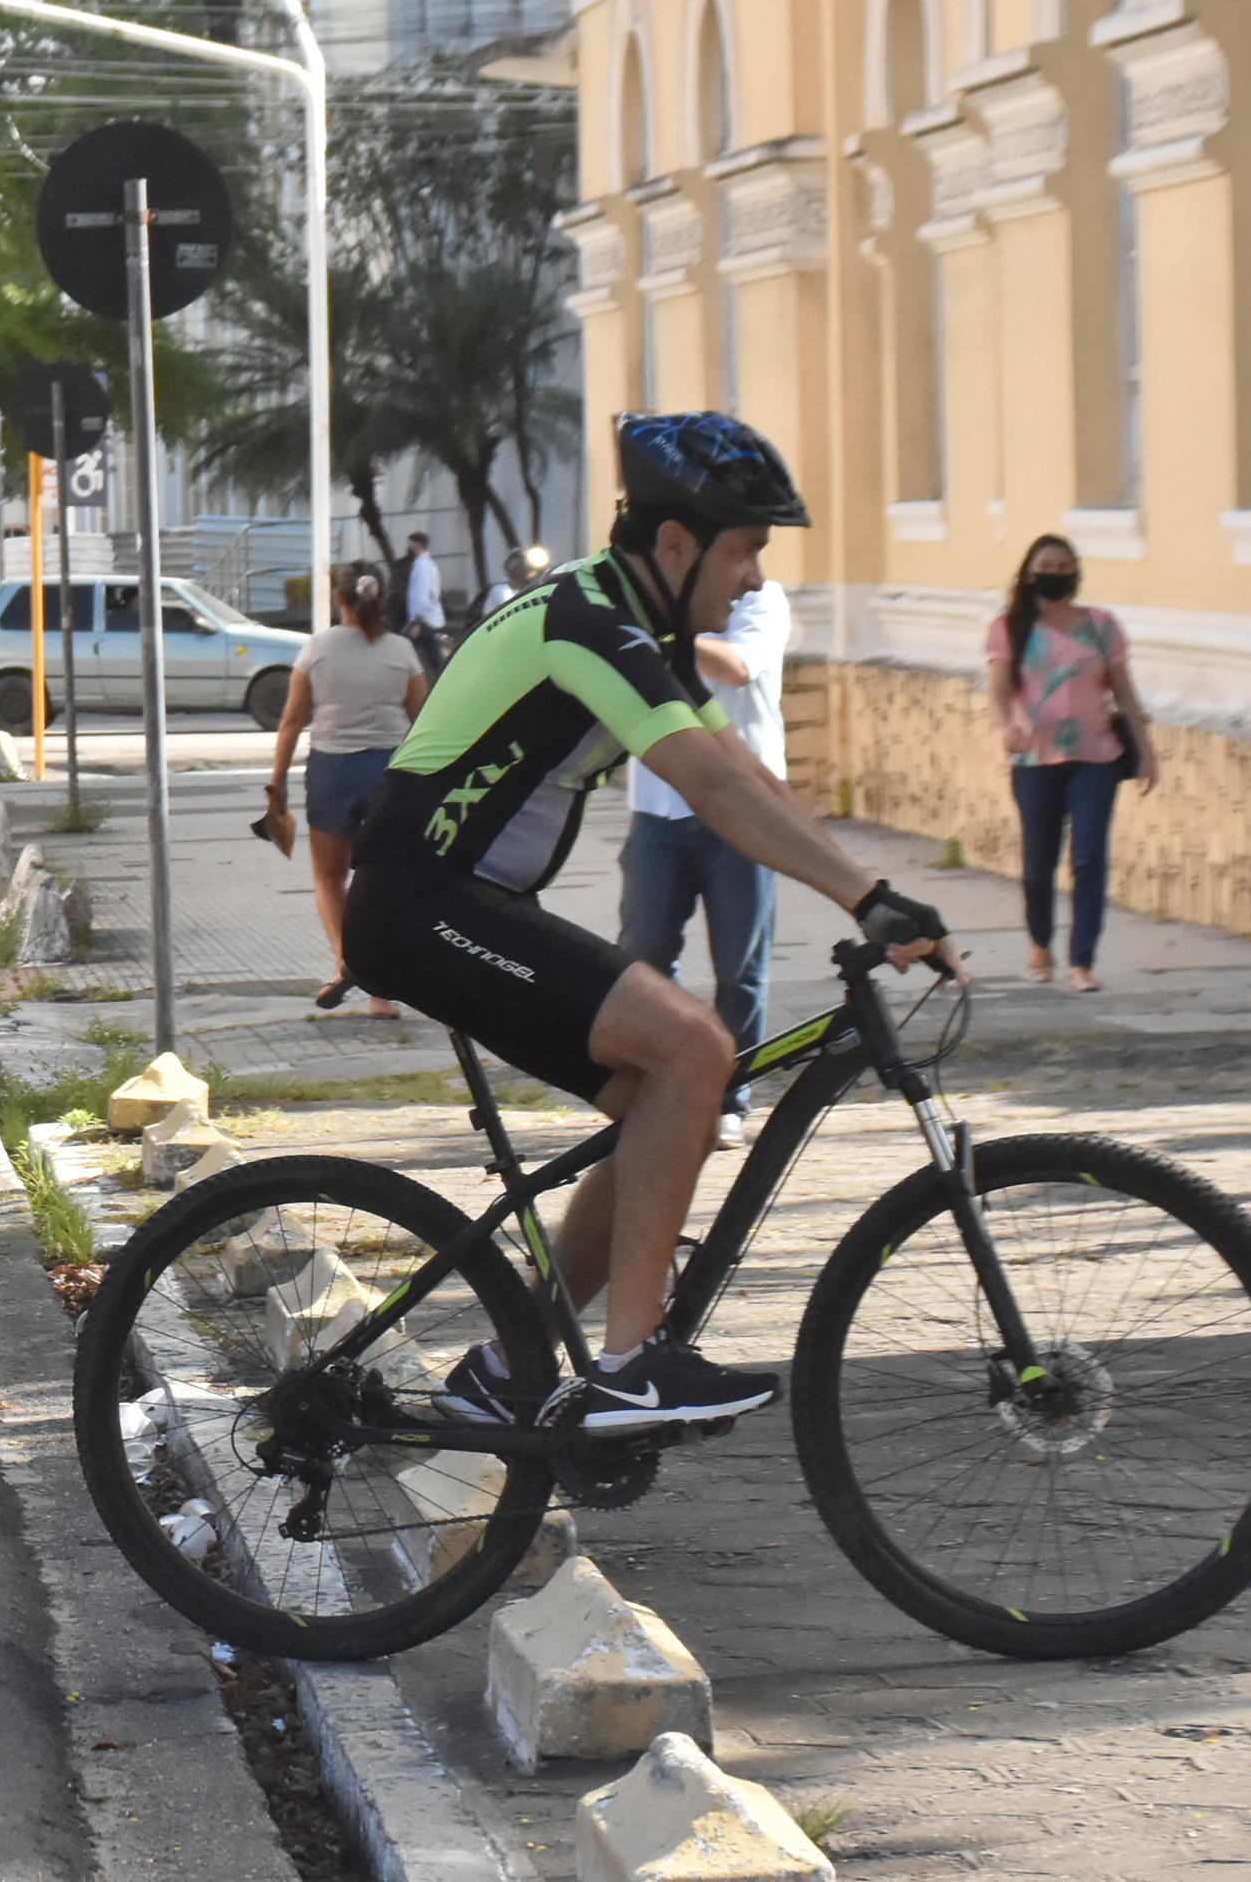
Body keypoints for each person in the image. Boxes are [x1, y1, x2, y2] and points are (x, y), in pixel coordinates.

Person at [343, 411, 954, 1430]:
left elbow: (745, 771)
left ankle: (514, 1363)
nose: (753, 580)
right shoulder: (590, 618)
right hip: (421, 900)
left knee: (660, 1103)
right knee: (692, 1046)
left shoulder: (630, 623)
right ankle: (631, 1365)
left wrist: (870, 886)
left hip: (459, 900)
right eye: (745, 550)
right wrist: (863, 901)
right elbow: (709, 784)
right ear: (674, 545)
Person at [618, 575, 792, 1152]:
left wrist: (661, 636)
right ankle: (663, 1084)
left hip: (742, 812)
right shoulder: (652, 602)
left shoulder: (759, 599)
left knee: (740, 966)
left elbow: (739, 667)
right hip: (658, 804)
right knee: (643, 956)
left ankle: (730, 1099)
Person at [986, 534, 1155, 993]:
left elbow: (1123, 690)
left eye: (1064, 566)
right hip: (1034, 758)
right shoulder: (1012, 627)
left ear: (1076, 573)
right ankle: (1040, 944)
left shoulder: (1101, 626)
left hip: (1096, 756)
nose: (1055, 573)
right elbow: (999, 690)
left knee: (1088, 858)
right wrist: (1005, 726)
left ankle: (1082, 961)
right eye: (1046, 565)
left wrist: (1147, 749)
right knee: (1038, 862)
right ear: (1029, 572)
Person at [257, 562, 427, 1016]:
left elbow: (292, 719)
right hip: (391, 773)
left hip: (332, 774)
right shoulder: (403, 652)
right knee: (383, 879)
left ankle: (343, 964)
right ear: (383, 600)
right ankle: (380, 993)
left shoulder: (318, 649)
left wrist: (276, 782)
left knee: (330, 877)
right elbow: (425, 723)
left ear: (340, 599)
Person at [400, 532, 447, 677]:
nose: (408, 546)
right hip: (428, 617)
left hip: (423, 619)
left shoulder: (422, 567)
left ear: (418, 544)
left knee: (428, 659)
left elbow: (420, 596)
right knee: (432, 656)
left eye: (411, 542)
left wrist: (416, 621)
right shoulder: (428, 565)